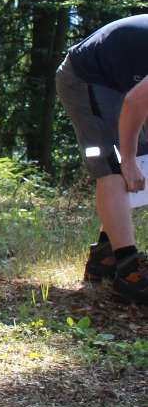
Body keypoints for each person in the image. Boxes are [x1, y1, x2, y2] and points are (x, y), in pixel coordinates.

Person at [55, 15, 148, 304]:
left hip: (120, 83)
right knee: (114, 166)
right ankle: (129, 271)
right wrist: (129, 158)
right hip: (85, 78)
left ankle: (104, 258)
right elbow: (135, 102)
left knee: (139, 163)